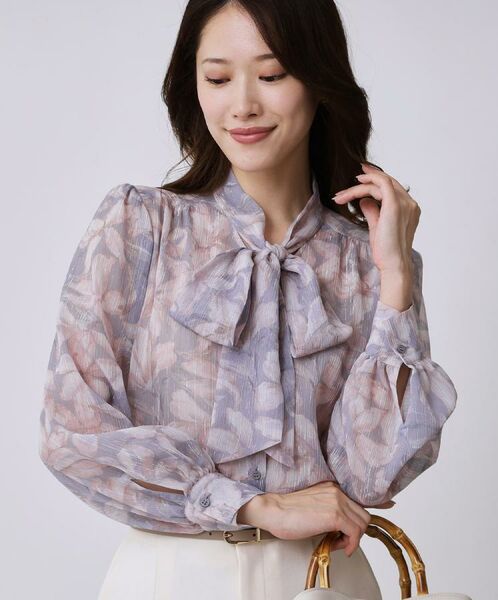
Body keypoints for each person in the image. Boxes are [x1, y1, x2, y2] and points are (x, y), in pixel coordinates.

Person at [38, 1, 458, 598]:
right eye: (217, 78)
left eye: (272, 74)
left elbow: (370, 477)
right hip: (171, 579)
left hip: (324, 579)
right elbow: (71, 433)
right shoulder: (140, 226)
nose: (242, 105)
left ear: (319, 80)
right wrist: (253, 505)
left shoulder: (367, 257)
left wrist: (395, 281)